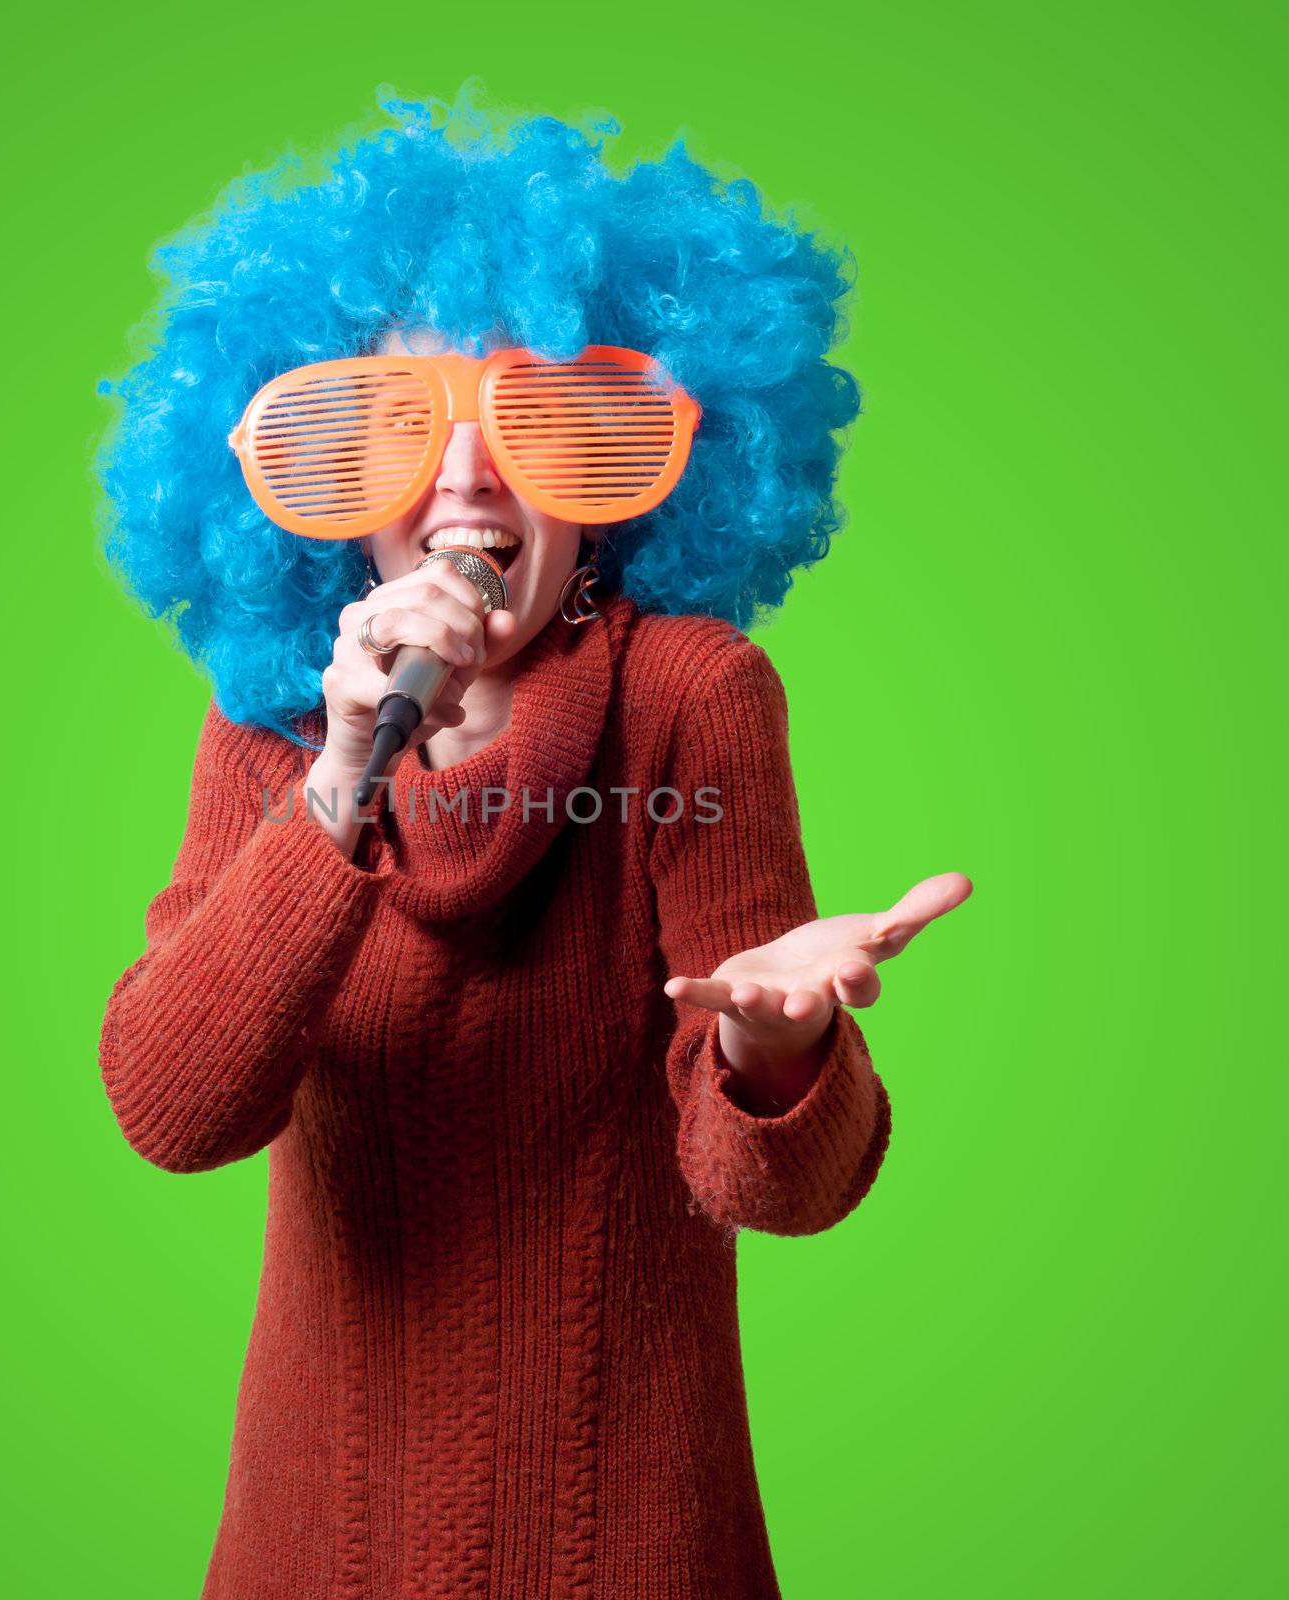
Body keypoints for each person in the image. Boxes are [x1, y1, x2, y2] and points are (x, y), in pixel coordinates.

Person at [92, 85, 971, 1600]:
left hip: (628, 1533)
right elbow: (176, 1109)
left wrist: (775, 1052)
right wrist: (343, 773)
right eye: (389, 426)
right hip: (320, 1537)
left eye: (544, 419)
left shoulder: (691, 699)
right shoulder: (267, 737)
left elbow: (779, 1186)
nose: (468, 479)